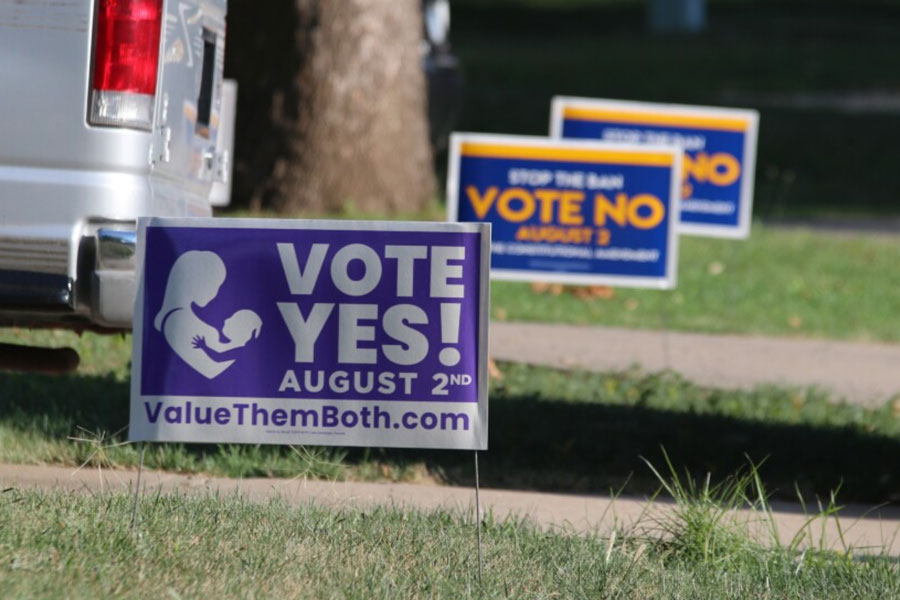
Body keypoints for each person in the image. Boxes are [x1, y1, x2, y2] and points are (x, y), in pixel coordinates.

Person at [191, 309, 262, 362]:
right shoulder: (245, 350)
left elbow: (219, 358)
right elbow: (219, 358)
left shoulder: (244, 351)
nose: (226, 320)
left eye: (234, 320)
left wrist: (204, 347)